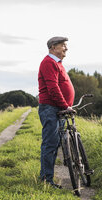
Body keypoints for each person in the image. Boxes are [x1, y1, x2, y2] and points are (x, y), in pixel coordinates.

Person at [38, 36, 75, 188]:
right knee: (50, 144)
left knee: (54, 144)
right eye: (63, 46)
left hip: (57, 108)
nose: (66, 48)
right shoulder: (48, 62)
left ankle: (48, 177)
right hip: (51, 108)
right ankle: (46, 180)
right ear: (53, 47)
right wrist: (65, 105)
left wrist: (66, 105)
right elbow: (53, 88)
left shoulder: (57, 63)